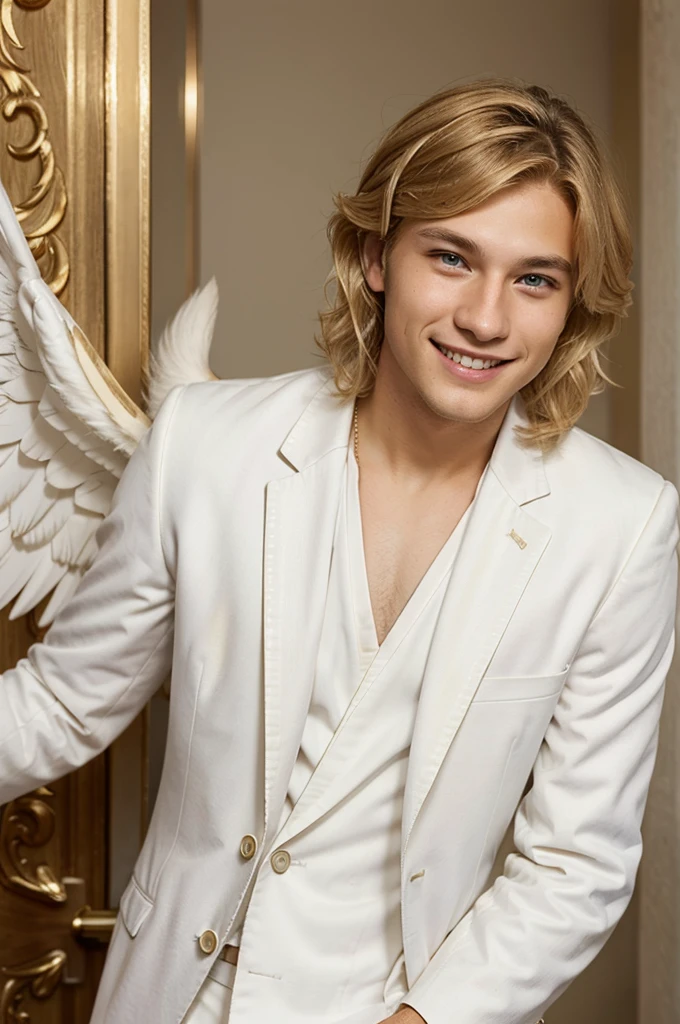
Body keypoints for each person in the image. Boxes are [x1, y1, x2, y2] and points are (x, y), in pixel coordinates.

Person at [0, 78, 677, 1024]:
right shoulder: (206, 443)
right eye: (450, 256)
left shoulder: (624, 524)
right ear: (374, 256)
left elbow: (576, 865)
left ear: (570, 303)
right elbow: (63, 704)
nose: (487, 318)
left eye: (534, 278)